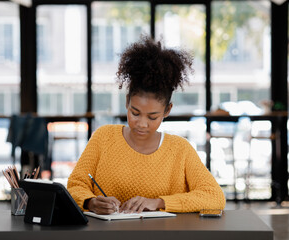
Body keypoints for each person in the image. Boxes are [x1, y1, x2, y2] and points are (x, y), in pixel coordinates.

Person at [67, 36, 225, 215]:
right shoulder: (104, 137)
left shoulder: (179, 150)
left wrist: (158, 202)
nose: (141, 124)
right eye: (135, 113)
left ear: (167, 111)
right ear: (127, 101)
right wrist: (90, 202)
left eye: (152, 117)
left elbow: (214, 196)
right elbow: (75, 185)